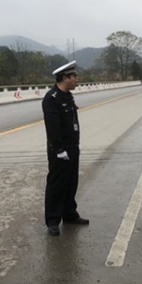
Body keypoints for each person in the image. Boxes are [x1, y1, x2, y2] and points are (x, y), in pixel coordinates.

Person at [42, 60, 89, 236]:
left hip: (72, 147)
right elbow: (52, 128)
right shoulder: (51, 98)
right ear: (65, 78)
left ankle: (69, 214)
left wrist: (74, 147)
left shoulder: (68, 96)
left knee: (71, 183)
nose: (77, 79)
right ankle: (53, 220)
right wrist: (59, 150)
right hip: (59, 150)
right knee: (56, 184)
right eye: (74, 76)